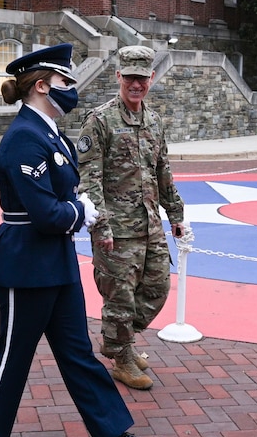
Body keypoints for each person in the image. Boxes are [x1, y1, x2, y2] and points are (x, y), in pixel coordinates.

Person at [0, 43, 168, 437]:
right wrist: (81, 211)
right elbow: (43, 213)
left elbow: (63, 193)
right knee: (13, 355)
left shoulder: (49, 132)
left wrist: (75, 205)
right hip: (25, 264)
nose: (71, 90)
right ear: (41, 86)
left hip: (54, 262)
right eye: (65, 82)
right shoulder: (24, 136)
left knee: (77, 353)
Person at [77, 45, 185, 390]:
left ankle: (117, 341)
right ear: (118, 76)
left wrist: (176, 215)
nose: (136, 84)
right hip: (117, 230)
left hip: (150, 224)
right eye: (130, 78)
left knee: (157, 286)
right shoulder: (100, 120)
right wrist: (101, 226)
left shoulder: (154, 120)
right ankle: (122, 358)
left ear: (151, 78)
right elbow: (88, 179)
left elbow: (162, 171)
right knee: (120, 296)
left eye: (142, 78)